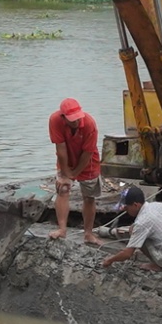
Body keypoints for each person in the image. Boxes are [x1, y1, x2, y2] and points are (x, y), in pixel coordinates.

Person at [48, 97, 102, 246]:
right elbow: (60, 148)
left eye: (78, 118)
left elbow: (87, 153)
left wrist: (76, 172)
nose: (76, 122)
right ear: (63, 117)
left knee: (89, 197)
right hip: (66, 158)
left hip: (88, 161)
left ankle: (88, 234)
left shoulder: (89, 124)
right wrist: (66, 174)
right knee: (63, 190)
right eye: (72, 120)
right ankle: (62, 229)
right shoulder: (55, 120)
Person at [98, 186, 162, 272]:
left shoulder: (142, 223)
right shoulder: (159, 205)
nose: (125, 210)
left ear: (135, 205)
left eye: (127, 207)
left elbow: (127, 254)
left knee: (140, 237)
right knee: (138, 231)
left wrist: (109, 260)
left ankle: (156, 265)